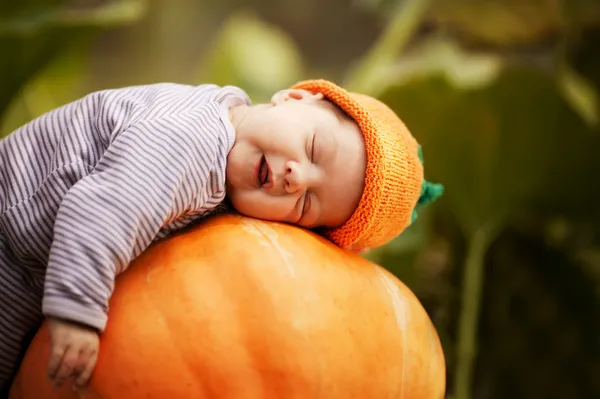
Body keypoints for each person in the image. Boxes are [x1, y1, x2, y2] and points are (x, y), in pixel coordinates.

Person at [0, 79, 443, 393]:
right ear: (294, 97)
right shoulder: (187, 141)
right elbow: (101, 208)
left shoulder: (228, 146)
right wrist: (77, 311)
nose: (295, 177)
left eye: (307, 205)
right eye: (312, 150)